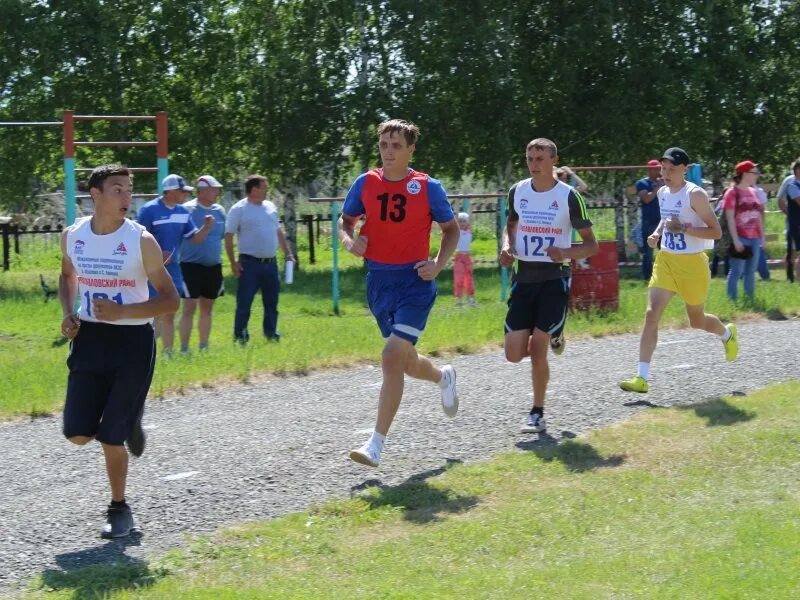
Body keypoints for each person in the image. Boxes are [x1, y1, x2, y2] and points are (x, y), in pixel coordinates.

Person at [58, 164, 179, 538]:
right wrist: (68, 313)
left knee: (111, 435)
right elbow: (67, 276)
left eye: (129, 190)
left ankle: (119, 508)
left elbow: (171, 300)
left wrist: (124, 311)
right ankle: (130, 416)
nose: (127, 197)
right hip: (90, 339)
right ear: (94, 193)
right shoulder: (72, 235)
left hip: (132, 342)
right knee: (77, 433)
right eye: (117, 189)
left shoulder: (141, 241)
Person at [338, 118, 460, 467]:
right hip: (378, 281)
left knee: (391, 356)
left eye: (396, 145)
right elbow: (346, 221)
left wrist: (437, 264)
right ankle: (443, 376)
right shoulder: (366, 183)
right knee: (404, 362)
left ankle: (375, 444)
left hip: (414, 282)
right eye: (383, 145)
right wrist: (351, 242)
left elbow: (450, 230)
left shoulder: (427, 187)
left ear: (410, 150)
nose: (388, 151)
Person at [619, 147, 738, 394]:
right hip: (666, 262)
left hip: (693, 265)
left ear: (686, 168)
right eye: (663, 168)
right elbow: (667, 218)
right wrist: (657, 233)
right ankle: (641, 377)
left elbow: (715, 232)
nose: (666, 173)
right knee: (651, 314)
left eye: (671, 169)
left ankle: (727, 334)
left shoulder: (696, 195)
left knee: (697, 320)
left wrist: (683, 228)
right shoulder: (662, 192)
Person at [499, 138, 598, 433]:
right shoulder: (518, 191)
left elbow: (592, 245)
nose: (534, 163)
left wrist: (565, 253)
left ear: (554, 160)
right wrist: (507, 246)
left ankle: (537, 413)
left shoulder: (569, 196)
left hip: (554, 278)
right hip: (523, 277)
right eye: (530, 157)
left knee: (538, 349)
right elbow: (511, 225)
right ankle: (556, 333)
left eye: (540, 157)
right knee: (513, 353)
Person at [137, 174, 213, 354]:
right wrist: (155, 255)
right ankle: (145, 350)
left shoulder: (182, 212)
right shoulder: (149, 210)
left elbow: (195, 239)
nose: (186, 194)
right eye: (182, 191)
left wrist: (207, 228)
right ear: (170, 191)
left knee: (170, 309)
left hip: (174, 269)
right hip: (152, 269)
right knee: (153, 312)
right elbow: (137, 239)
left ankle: (167, 353)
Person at [224, 175, 294, 344]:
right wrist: (233, 262)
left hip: (270, 264)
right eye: (264, 187)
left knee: (271, 302)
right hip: (249, 264)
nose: (266, 190)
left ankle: (271, 333)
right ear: (254, 189)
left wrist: (288, 253)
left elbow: (278, 232)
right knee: (245, 303)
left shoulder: (270, 207)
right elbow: (228, 236)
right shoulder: (239, 209)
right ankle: (240, 335)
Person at [178, 175, 227, 353]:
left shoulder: (220, 210)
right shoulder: (187, 210)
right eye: (214, 189)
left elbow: (221, 236)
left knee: (207, 308)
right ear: (203, 191)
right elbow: (185, 237)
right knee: (189, 308)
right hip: (190, 266)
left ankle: (203, 347)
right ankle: (184, 348)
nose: (217, 192)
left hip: (213, 267)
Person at [722, 161, 764, 302]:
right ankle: (732, 301)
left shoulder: (754, 192)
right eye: (755, 172)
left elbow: (757, 216)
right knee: (736, 271)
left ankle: (749, 300)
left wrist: (762, 236)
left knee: (751, 272)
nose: (757, 175)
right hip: (740, 237)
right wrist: (736, 240)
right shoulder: (732, 193)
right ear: (745, 174)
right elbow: (730, 218)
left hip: (755, 237)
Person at [636, 159, 664, 280]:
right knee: (648, 253)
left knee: (666, 251)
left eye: (659, 168)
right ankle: (647, 277)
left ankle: (667, 275)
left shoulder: (665, 182)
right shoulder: (642, 183)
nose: (658, 171)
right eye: (655, 168)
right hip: (649, 223)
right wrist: (657, 187)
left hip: (663, 222)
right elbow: (646, 199)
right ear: (649, 170)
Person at [779, 159, 800, 282]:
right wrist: (790, 215)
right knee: (792, 251)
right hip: (796, 224)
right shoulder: (792, 185)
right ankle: (791, 277)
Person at [454, 212, 477, 306]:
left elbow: (470, 217)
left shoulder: (469, 231)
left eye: (464, 221)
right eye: (460, 221)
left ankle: (470, 298)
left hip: (468, 256)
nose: (462, 223)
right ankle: (459, 299)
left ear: (467, 222)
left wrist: (470, 207)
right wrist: (458, 204)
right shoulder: (457, 231)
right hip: (459, 256)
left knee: (469, 278)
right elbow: (455, 218)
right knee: (459, 278)